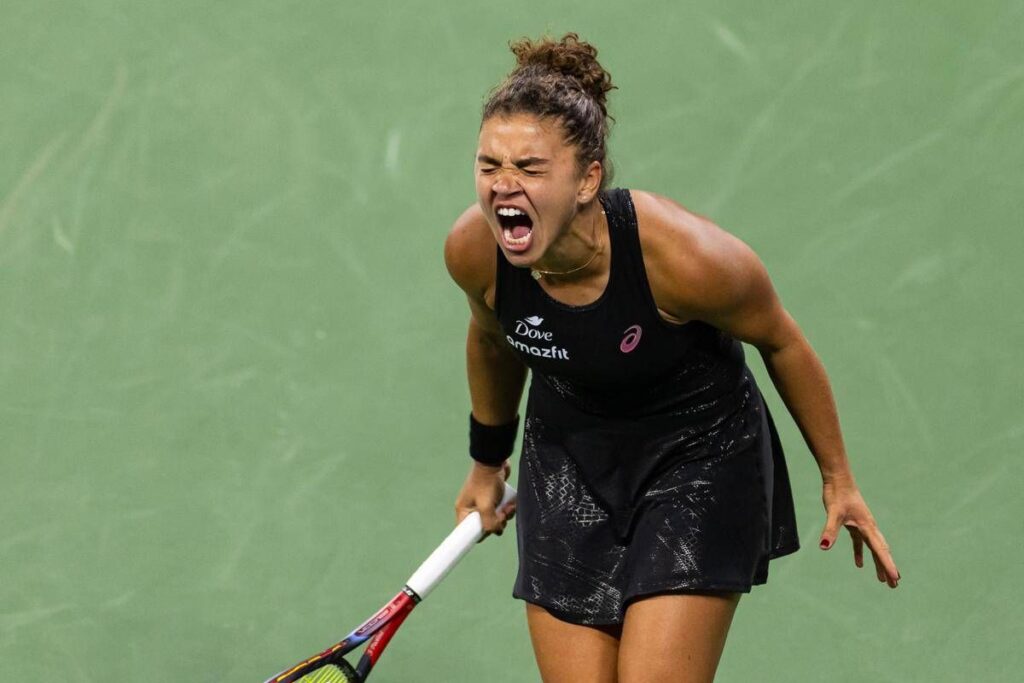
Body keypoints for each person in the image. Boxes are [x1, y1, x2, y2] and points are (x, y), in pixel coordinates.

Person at [444, 33, 900, 683]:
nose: (503, 185)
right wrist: (487, 463)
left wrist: (839, 478)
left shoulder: (684, 260)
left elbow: (782, 341)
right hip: (570, 457)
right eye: (489, 165)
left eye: (530, 168)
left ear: (587, 179)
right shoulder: (474, 251)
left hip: (697, 455)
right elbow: (493, 339)